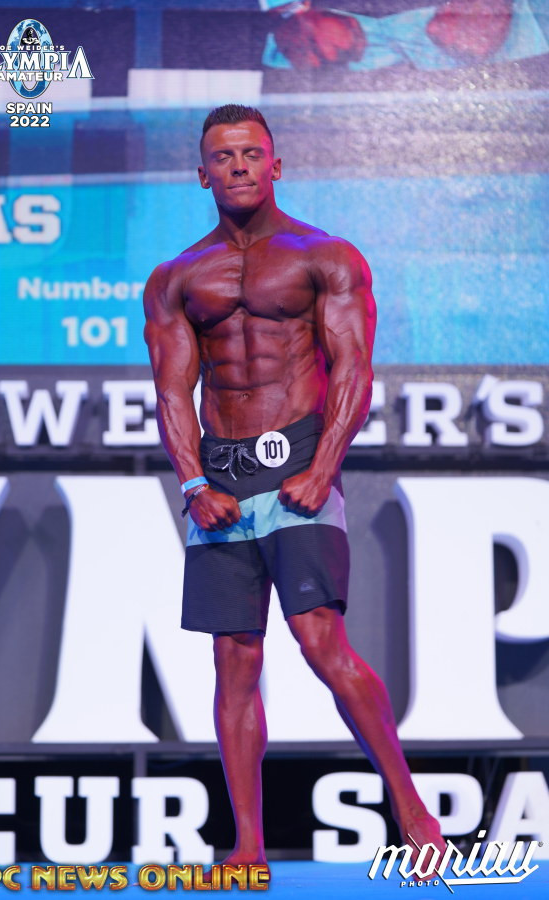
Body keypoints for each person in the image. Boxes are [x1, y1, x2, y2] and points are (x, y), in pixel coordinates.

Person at [143, 103, 445, 871]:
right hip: (220, 478)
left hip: (298, 468)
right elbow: (173, 390)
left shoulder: (325, 257)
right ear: (202, 174)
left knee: (319, 641)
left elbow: (353, 369)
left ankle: (411, 807)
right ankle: (247, 845)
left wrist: (322, 467)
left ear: (275, 164)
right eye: (223, 156)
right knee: (234, 658)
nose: (239, 166)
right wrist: (191, 483)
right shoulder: (177, 278)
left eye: (251, 153)